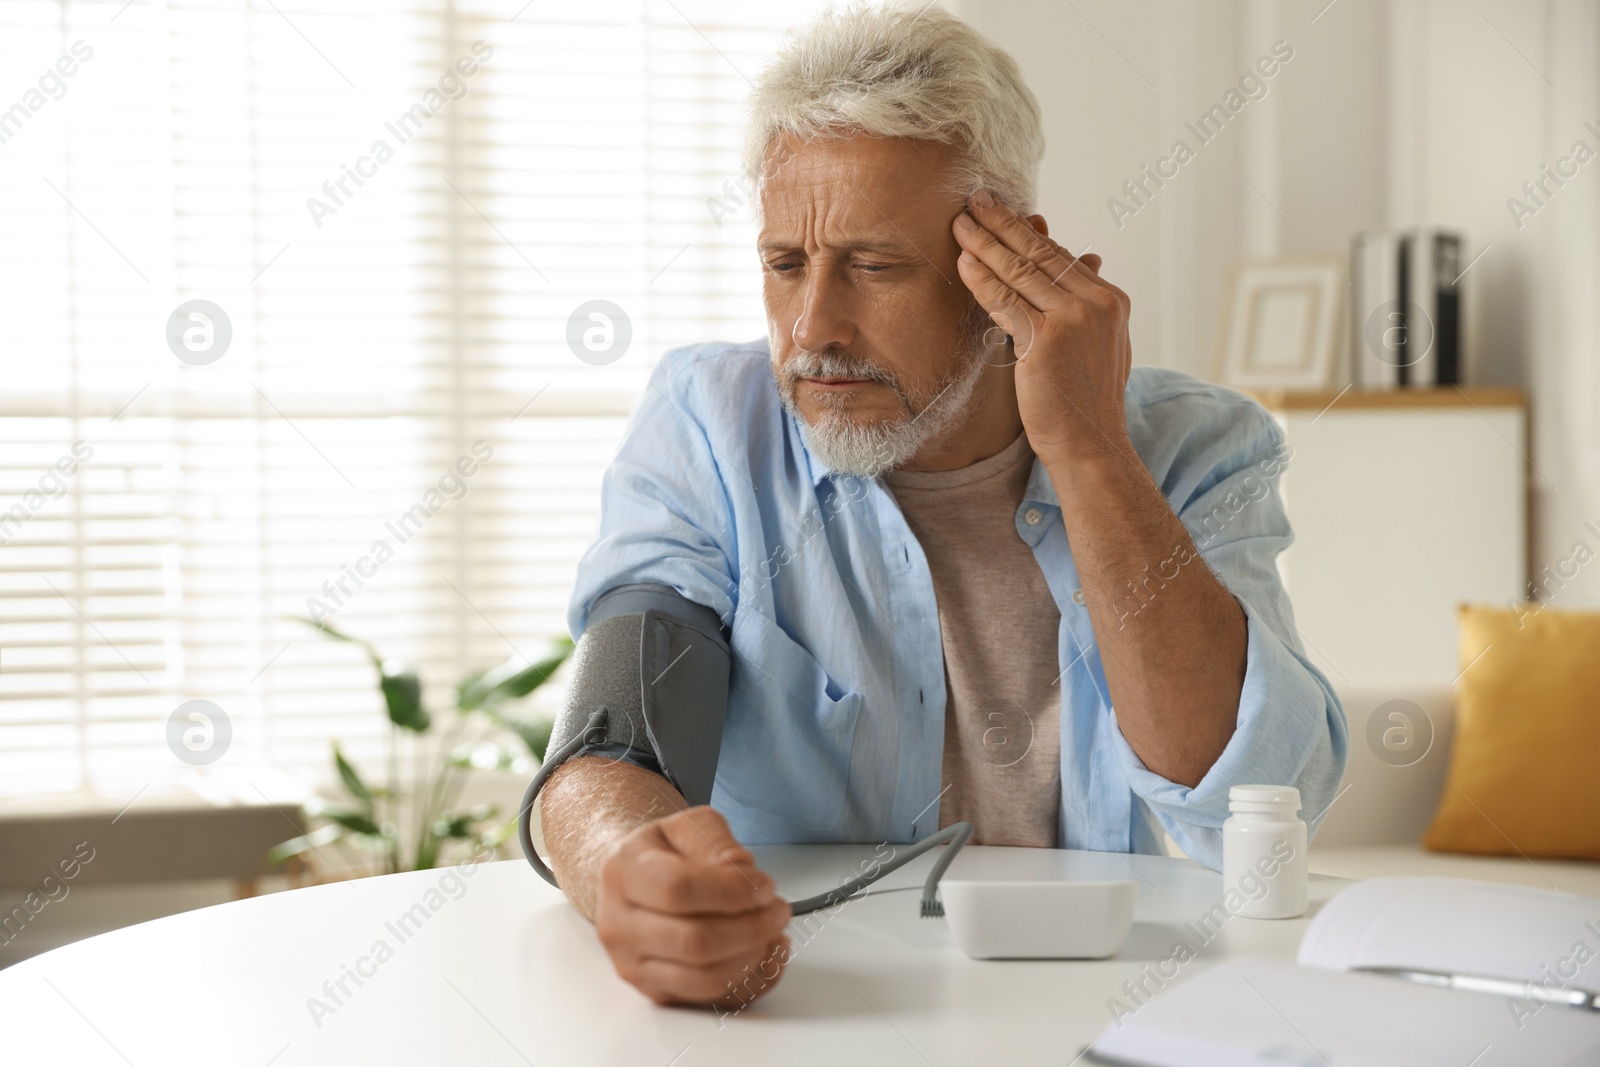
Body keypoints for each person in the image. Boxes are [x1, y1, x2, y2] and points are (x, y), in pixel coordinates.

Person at [538, 3, 1347, 1010]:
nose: (811, 328)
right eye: (784, 264)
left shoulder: (1194, 446)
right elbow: (615, 741)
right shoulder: (709, 424)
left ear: (1004, 261)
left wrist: (1088, 448)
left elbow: (1248, 798)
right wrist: (628, 870)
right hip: (817, 1009)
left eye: (874, 266)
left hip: (1108, 1003)